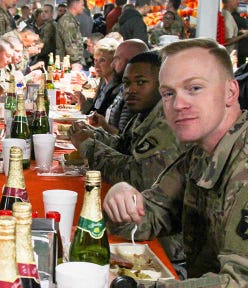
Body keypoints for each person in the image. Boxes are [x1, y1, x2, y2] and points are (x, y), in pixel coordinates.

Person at [103, 38, 248, 288]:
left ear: (230, 92)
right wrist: (120, 197)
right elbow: (148, 217)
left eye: (194, 88)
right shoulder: (202, 152)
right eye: (168, 93)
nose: (178, 104)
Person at [69, 51, 183, 194]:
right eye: (127, 83)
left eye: (141, 82)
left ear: (163, 85)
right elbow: (123, 146)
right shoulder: (144, 115)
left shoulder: (168, 123)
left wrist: (89, 146)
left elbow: (138, 178)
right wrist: (92, 134)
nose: (131, 90)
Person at [101, 39, 149, 133]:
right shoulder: (122, 87)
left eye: (117, 59)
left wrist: (104, 126)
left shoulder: (134, 95)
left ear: (132, 61)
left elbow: (124, 140)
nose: (112, 65)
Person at [72, 38, 120, 115]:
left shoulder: (117, 88)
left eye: (102, 60)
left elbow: (100, 117)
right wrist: (81, 100)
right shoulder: (103, 80)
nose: (96, 65)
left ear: (114, 62)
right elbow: (94, 110)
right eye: (95, 60)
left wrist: (84, 103)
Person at [56, 0, 85, 70]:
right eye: (82, 5)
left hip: (69, 63)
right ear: (75, 5)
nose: (83, 7)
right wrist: (77, 62)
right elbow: (71, 45)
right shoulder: (68, 21)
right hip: (70, 65)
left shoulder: (70, 19)